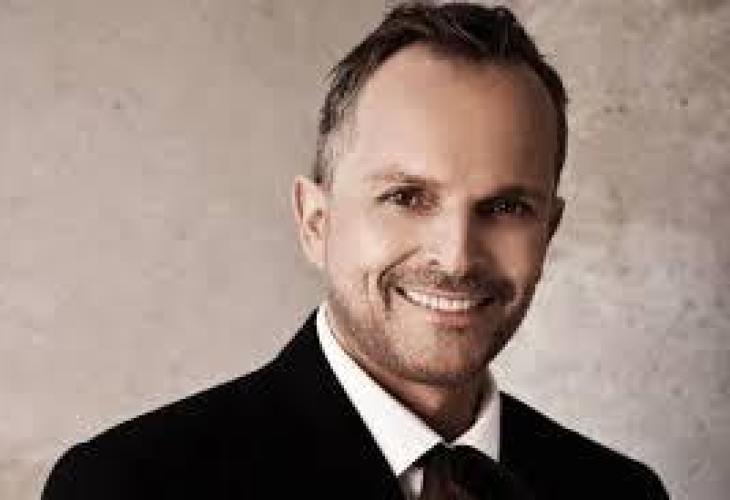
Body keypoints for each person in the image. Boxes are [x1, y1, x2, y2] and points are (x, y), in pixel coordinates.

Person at [42, 2, 669, 499]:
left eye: (506, 208)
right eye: (407, 197)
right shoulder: (127, 486)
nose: (456, 257)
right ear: (316, 221)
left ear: (548, 232)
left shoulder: (619, 492)